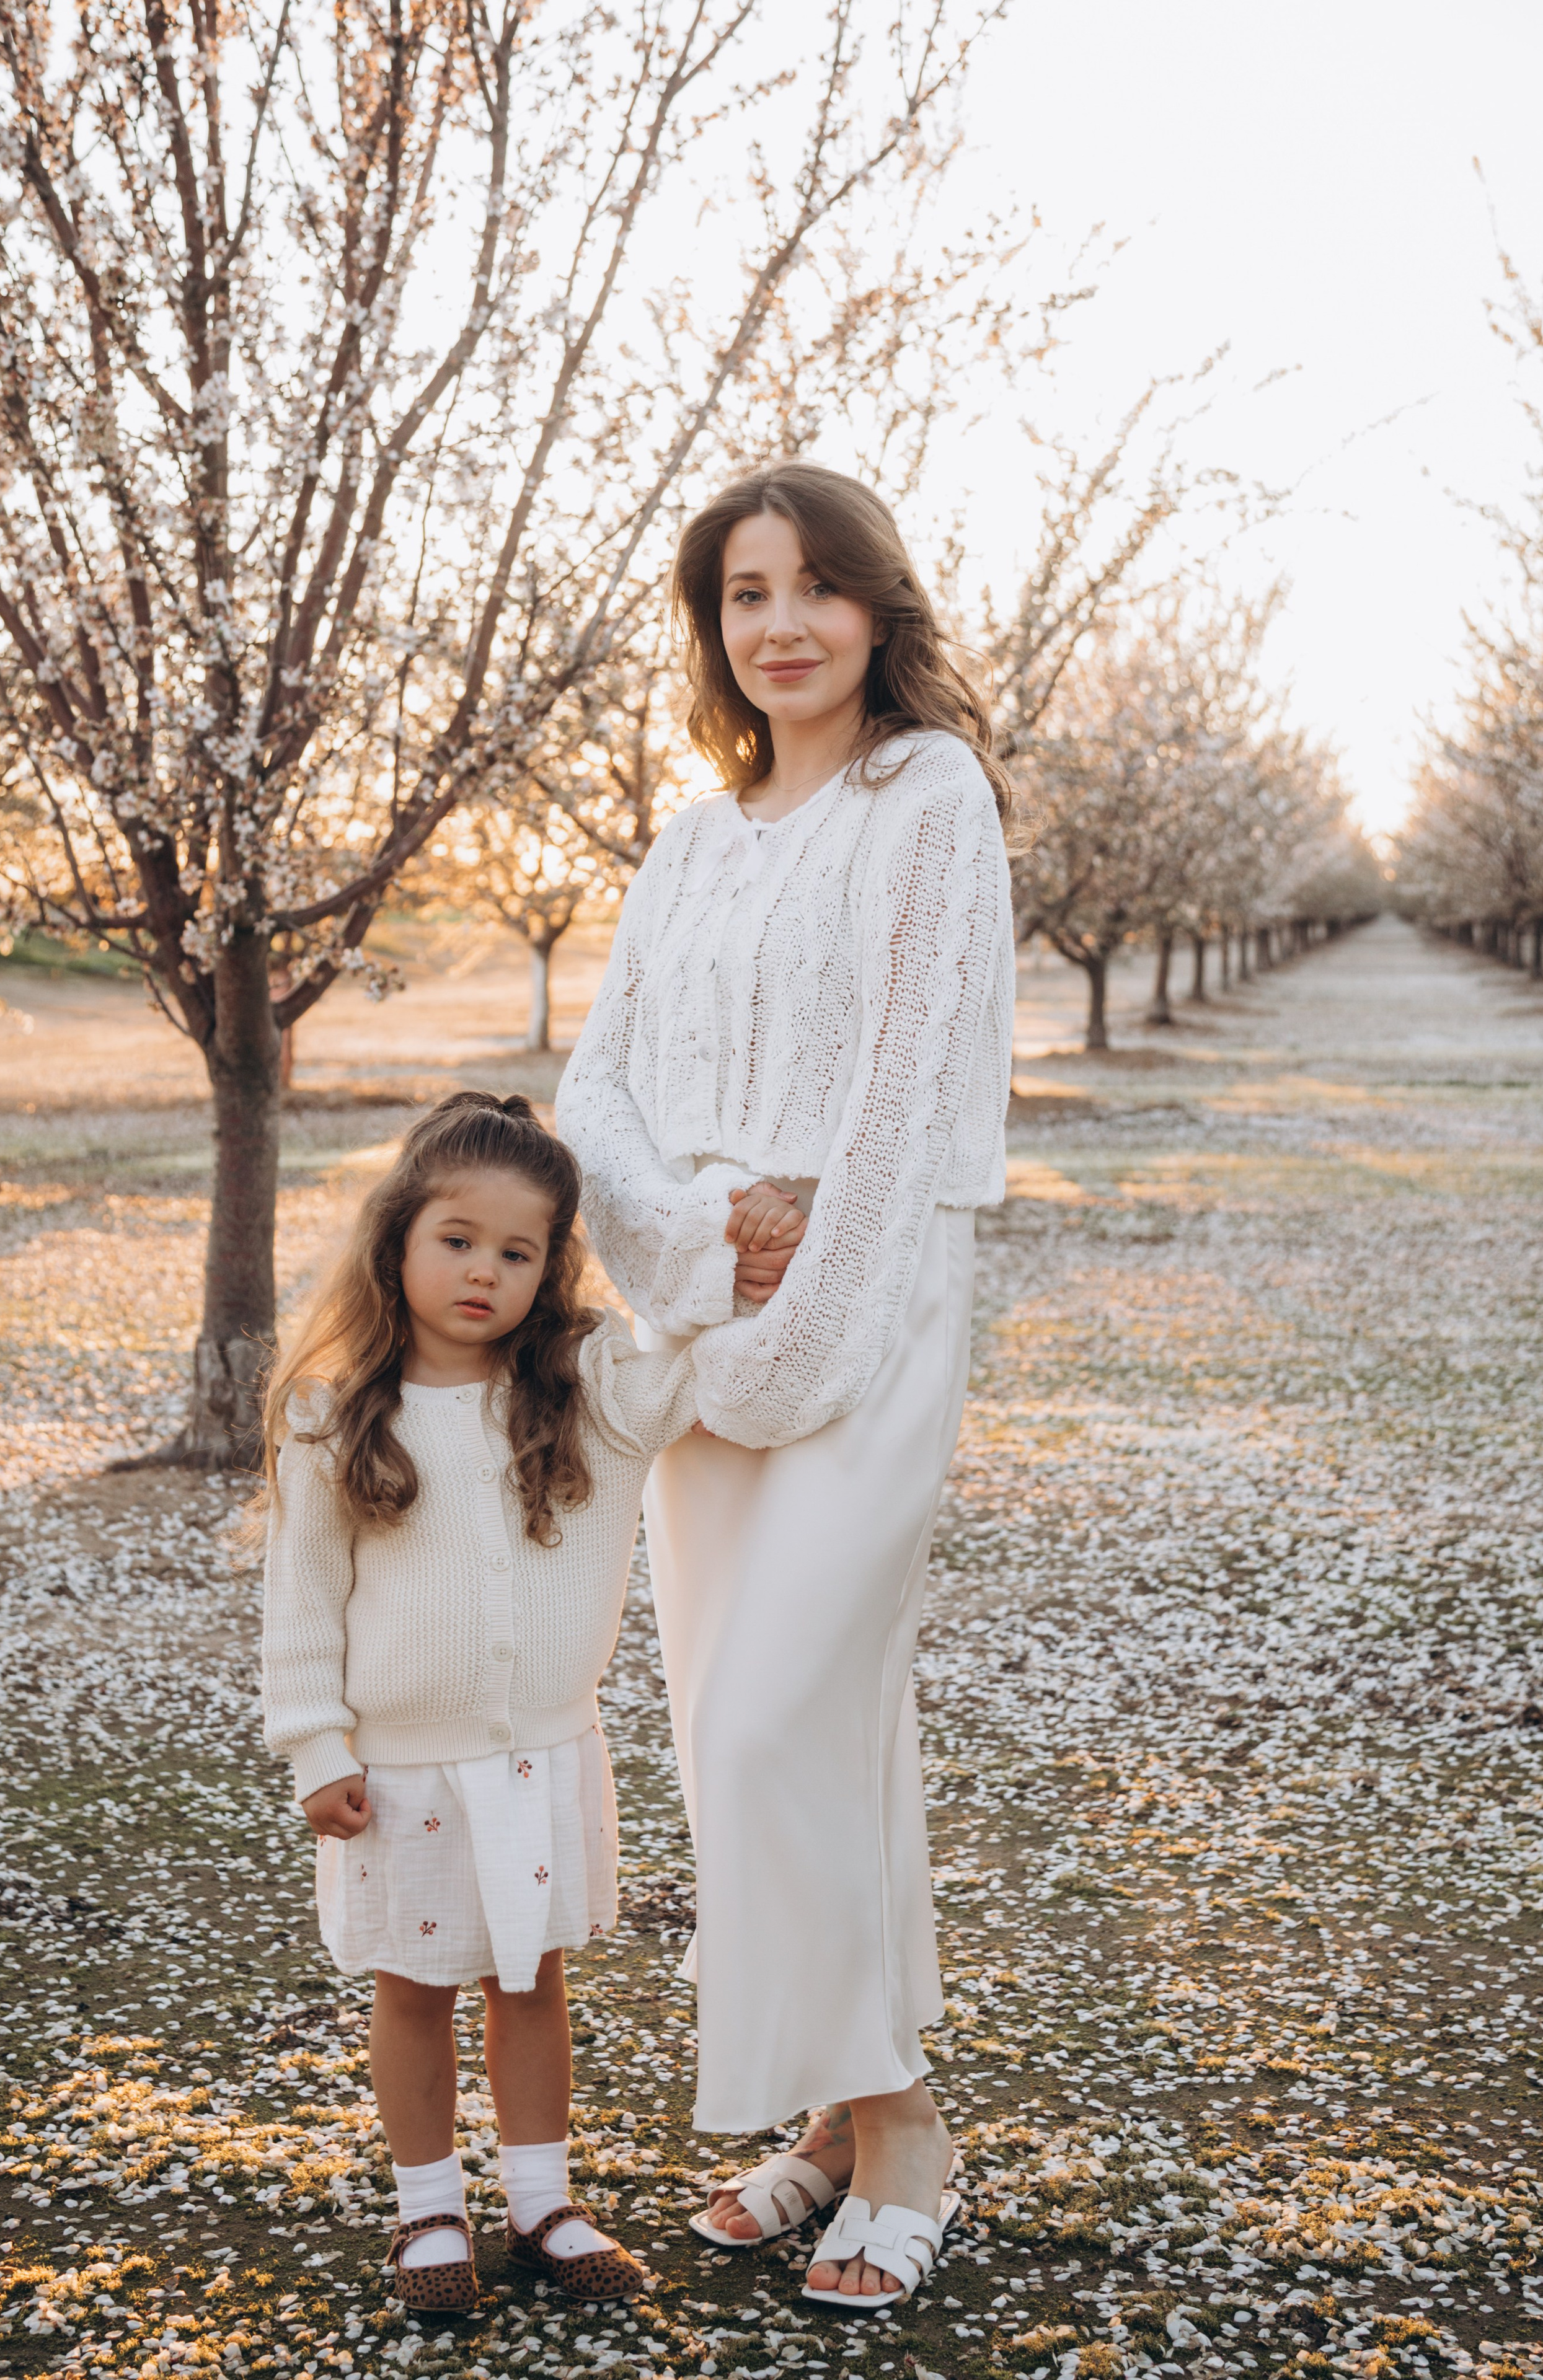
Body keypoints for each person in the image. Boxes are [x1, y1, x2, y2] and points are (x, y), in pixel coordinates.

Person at [557, 459, 1017, 2311]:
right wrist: (685, 1248)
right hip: (699, 1328)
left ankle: (904, 2127)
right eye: (747, 593)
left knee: (771, 1721)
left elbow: (906, 1105)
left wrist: (803, 1317)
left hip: (873, 1305)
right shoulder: (692, 840)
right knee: (762, 1739)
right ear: (715, 625)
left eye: (817, 586)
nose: (783, 624)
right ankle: (834, 2123)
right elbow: (597, 1095)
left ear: (877, 606)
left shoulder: (932, 798)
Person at [258, 1091, 705, 2312]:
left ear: (552, 1271)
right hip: (401, 1771)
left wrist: (707, 1251)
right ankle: (426, 2216)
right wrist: (315, 1747)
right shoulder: (336, 1413)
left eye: (518, 1253)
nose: (482, 1273)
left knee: (530, 1983)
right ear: (397, 1236)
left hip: (540, 1758)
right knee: (415, 1988)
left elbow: (682, 1380)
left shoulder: (585, 1394)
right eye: (456, 1239)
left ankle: (541, 2201)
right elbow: (301, 1605)